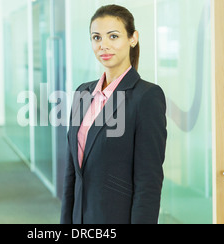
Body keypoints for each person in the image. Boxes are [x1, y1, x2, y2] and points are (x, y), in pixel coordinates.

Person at [60, 4, 167, 224]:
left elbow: (148, 183)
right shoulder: (83, 92)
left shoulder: (146, 97)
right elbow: (72, 173)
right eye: (96, 37)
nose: (103, 45)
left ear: (133, 38)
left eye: (113, 36)